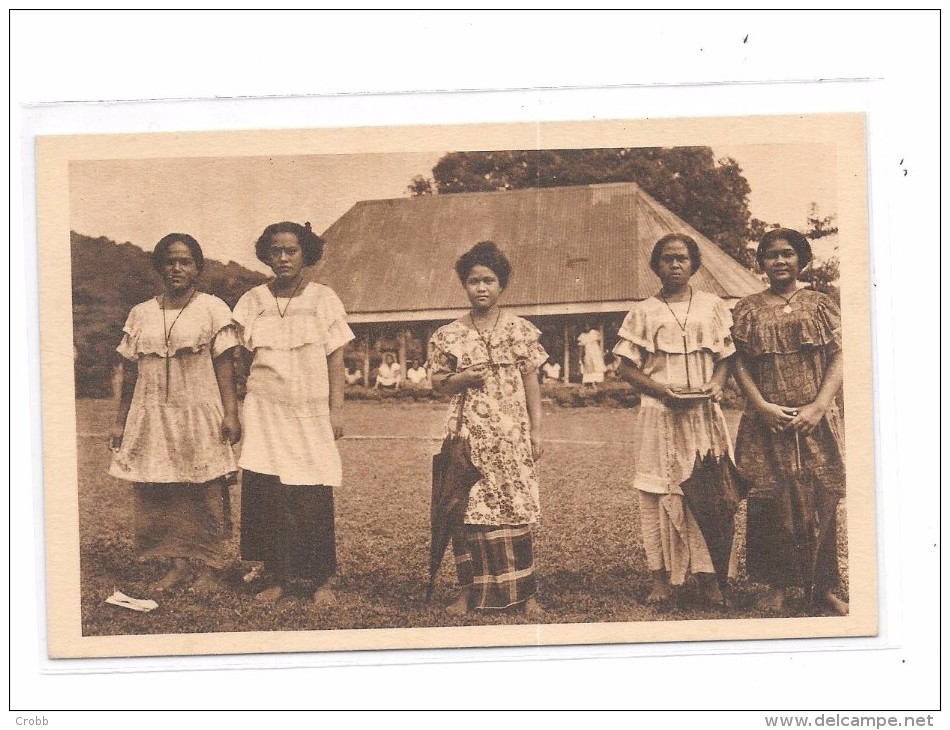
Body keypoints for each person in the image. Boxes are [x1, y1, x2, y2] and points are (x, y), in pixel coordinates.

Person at [109, 233, 241, 593]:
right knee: (161, 488)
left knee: (205, 489)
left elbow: (226, 366)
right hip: (152, 412)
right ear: (159, 266)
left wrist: (231, 412)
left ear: (198, 267)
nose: (177, 268)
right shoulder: (141, 313)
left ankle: (211, 567)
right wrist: (121, 421)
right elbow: (130, 371)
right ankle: (177, 565)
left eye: (185, 261)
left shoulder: (213, 309)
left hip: (199, 410)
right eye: (170, 261)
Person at [233, 221, 354, 605]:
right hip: (266, 409)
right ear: (266, 255)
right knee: (268, 490)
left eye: (291, 251)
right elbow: (237, 354)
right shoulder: (253, 300)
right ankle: (278, 576)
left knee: (311, 489)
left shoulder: (323, 298)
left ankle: (322, 578)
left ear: (306, 254)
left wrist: (335, 409)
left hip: (309, 408)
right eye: (275, 251)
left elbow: (336, 356)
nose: (283, 258)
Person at [613, 233, 736, 607]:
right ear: (656, 265)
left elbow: (725, 355)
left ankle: (711, 580)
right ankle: (661, 580)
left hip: (702, 416)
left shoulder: (712, 306)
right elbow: (625, 367)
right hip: (660, 416)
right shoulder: (643, 312)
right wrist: (660, 391)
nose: (675, 265)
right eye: (667, 259)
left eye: (682, 258)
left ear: (694, 264)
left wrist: (716, 384)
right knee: (656, 493)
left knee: (708, 491)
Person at [731, 228, 847, 616]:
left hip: (814, 417)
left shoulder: (820, 304)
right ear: (760, 262)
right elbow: (738, 363)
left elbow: (838, 356)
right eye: (771, 255)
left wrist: (817, 407)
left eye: (787, 254)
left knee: (822, 498)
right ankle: (776, 587)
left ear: (801, 260)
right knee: (769, 500)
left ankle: (823, 587)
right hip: (768, 419)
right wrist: (761, 405)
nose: (779, 261)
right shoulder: (747, 308)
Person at [428, 241, 547, 616]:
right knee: (465, 511)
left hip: (510, 435)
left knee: (514, 506)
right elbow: (437, 383)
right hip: (467, 435)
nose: (481, 288)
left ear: (502, 285)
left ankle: (525, 595)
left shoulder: (521, 331)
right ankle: (468, 593)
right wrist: (462, 377)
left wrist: (536, 432)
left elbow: (532, 385)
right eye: (473, 281)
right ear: (464, 285)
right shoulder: (448, 335)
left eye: (489, 280)